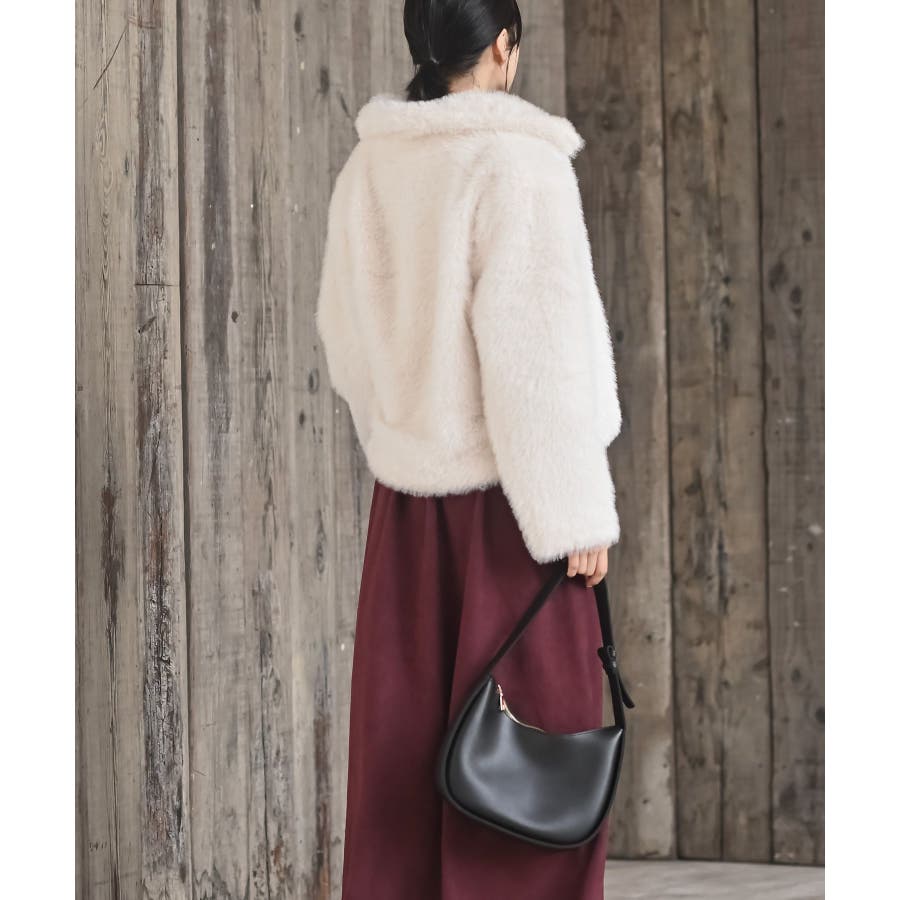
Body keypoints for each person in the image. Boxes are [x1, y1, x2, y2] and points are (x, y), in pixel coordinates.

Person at [315, 1, 623, 897]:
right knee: (533, 774)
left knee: (407, 763)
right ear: (503, 46)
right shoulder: (518, 162)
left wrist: (407, 434)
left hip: (407, 520)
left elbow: (344, 336)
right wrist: (574, 514)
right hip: (512, 515)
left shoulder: (371, 168)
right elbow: (538, 356)